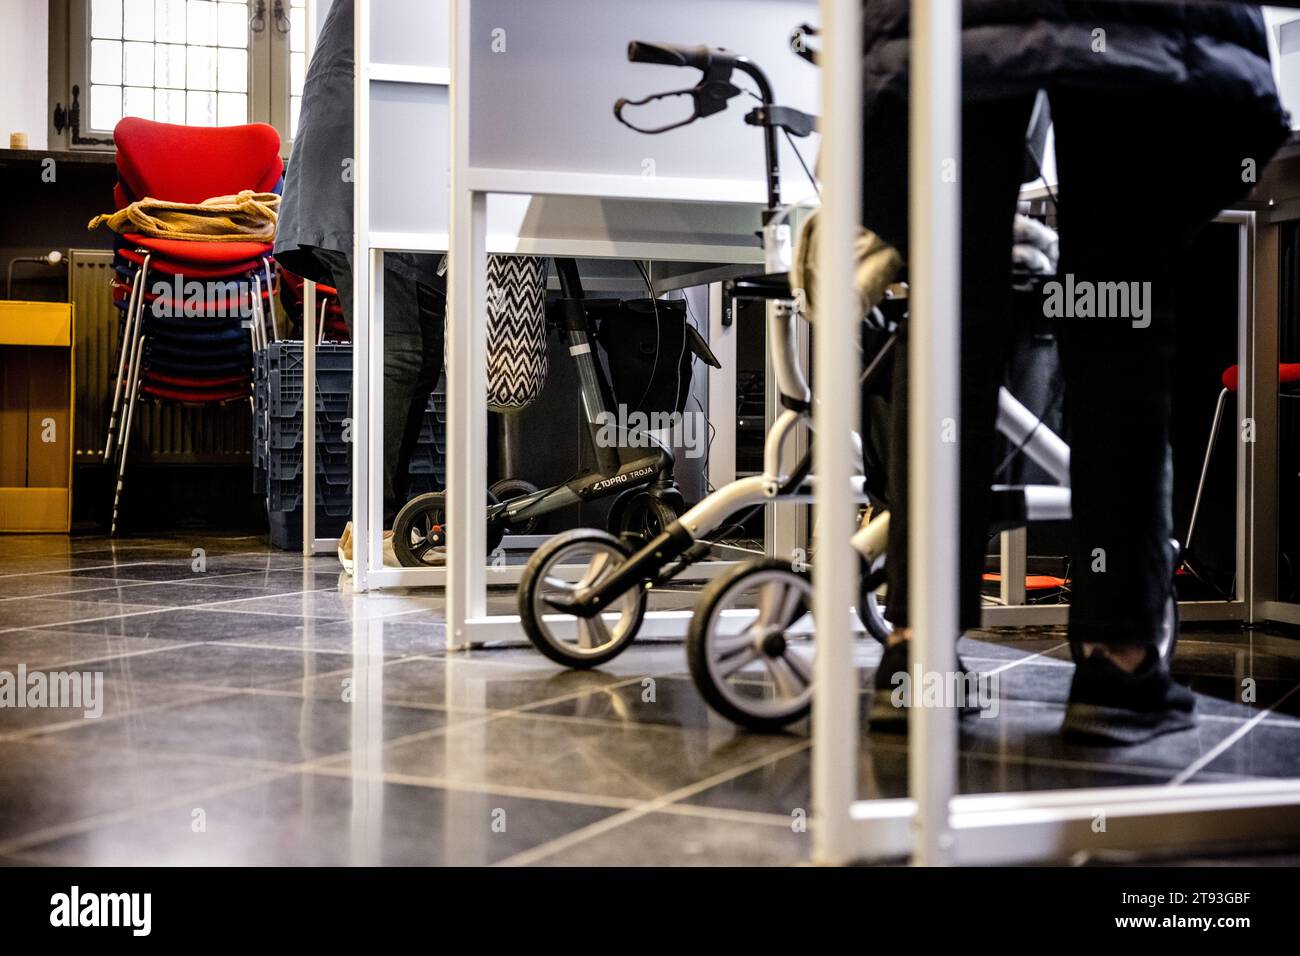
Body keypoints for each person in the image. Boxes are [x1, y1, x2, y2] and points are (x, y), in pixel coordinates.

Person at [861, 1, 1289, 743]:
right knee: (1120, 322)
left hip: (950, 24)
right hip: (1140, 26)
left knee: (948, 315)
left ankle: (916, 656)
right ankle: (1118, 665)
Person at [273, 0, 444, 569]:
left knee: (417, 353)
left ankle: (386, 524)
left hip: (381, 153)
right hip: (361, 160)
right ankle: (373, 528)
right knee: (399, 352)